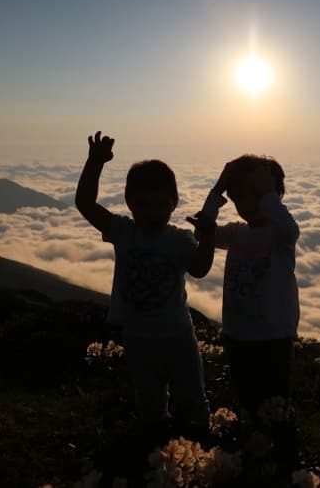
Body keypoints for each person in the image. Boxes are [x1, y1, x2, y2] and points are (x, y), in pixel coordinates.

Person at [75, 131, 214, 442]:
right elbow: (84, 203)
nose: (153, 212)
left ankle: (198, 452)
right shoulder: (123, 232)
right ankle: (158, 452)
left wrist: (208, 239)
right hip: (138, 338)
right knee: (150, 406)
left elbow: (199, 269)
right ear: (129, 203)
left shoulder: (179, 240)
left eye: (161, 204)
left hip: (178, 337)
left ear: (174, 204)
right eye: (143, 204)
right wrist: (95, 163)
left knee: (192, 404)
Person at [194, 154, 300, 426]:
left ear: (273, 195)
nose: (249, 203)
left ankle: (279, 447)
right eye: (240, 196)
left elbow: (290, 228)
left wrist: (268, 193)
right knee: (249, 406)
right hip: (237, 335)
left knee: (276, 409)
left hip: (274, 338)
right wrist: (218, 189)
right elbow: (203, 232)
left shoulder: (279, 235)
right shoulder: (236, 233)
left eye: (257, 194)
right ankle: (253, 445)